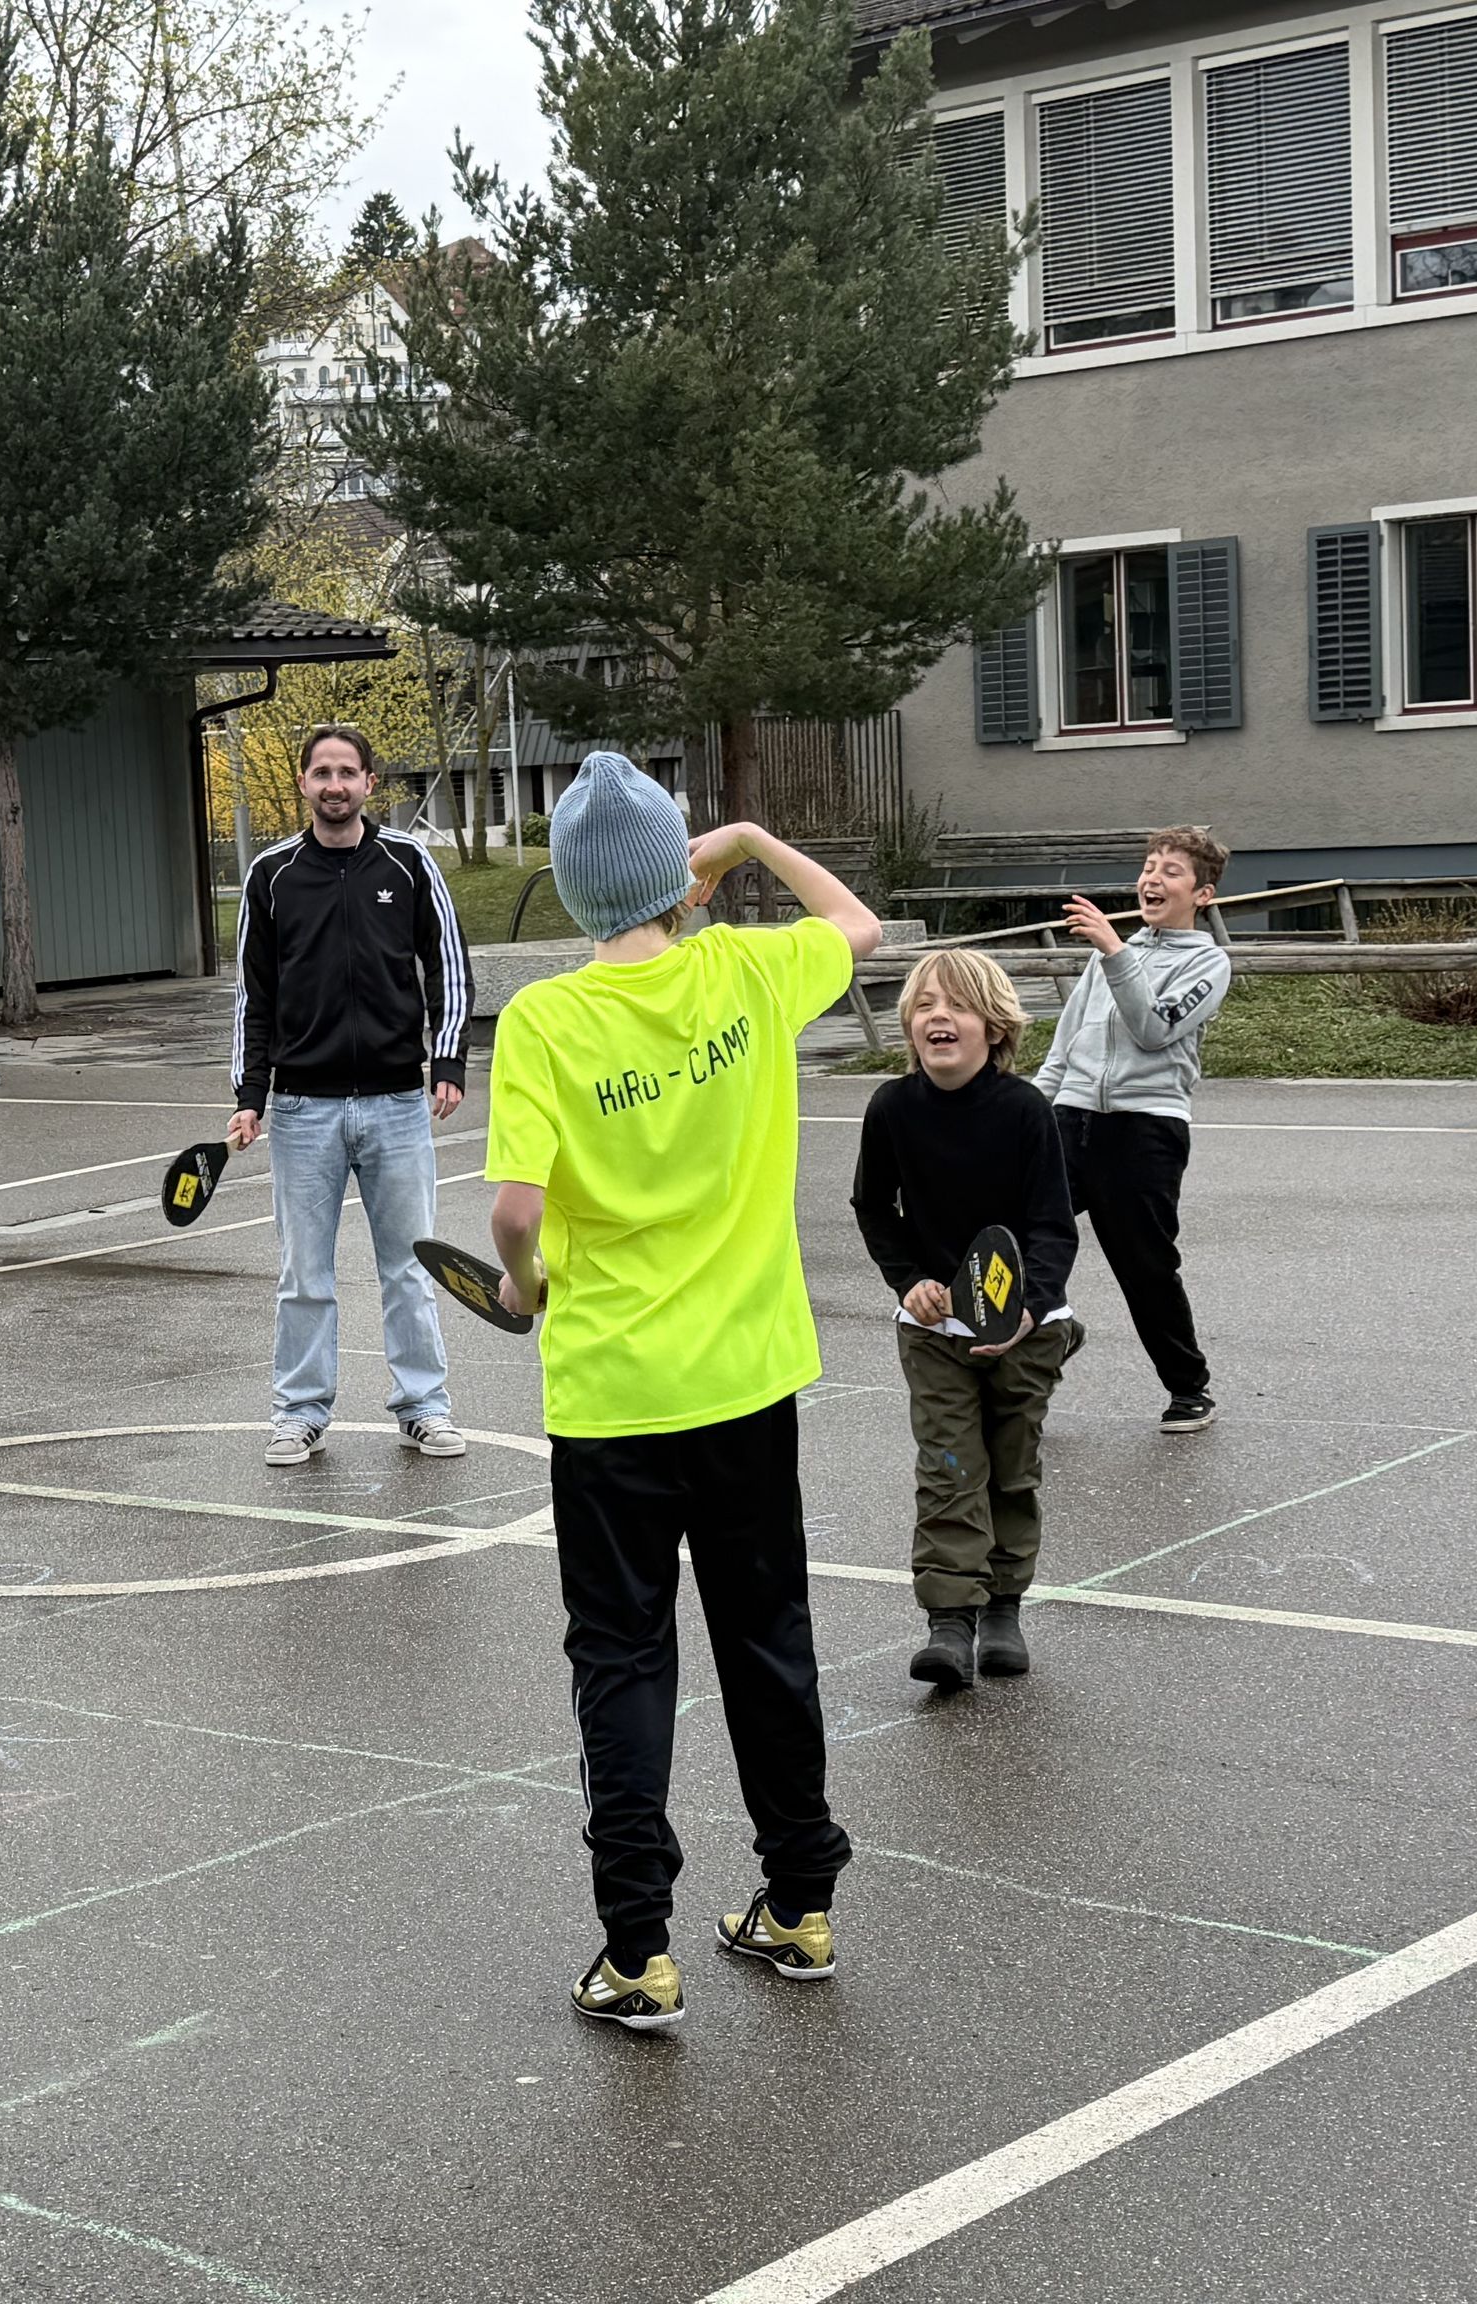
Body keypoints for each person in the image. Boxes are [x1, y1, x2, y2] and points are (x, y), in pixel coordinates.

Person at [482, 751, 881, 2031]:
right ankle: (800, 1903)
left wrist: (525, 1288)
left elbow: (514, 1212)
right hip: (746, 1381)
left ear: (573, 889)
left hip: (611, 1395)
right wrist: (750, 838)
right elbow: (857, 926)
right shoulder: (749, 974)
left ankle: (637, 1950)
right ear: (681, 876)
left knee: (622, 1660)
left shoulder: (545, 1020)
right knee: (768, 1641)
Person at [228, 725, 473, 1466]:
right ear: (303, 783)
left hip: (398, 1104)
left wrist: (448, 1058)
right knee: (304, 1275)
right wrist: (251, 1093)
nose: (334, 784)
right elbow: (253, 997)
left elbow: (448, 965)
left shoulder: (410, 863)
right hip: (303, 1110)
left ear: (370, 782)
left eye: (347, 772)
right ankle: (298, 1414)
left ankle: (423, 1407)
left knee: (410, 1267)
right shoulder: (271, 875)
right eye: (321, 772)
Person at [851, 949, 1081, 1691]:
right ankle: (950, 1620)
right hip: (934, 1333)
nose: (938, 1018)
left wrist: (1029, 1308)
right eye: (924, 1006)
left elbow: (1052, 1226)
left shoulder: (1025, 1111)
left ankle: (1004, 1608)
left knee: (1011, 1469)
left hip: (1026, 1331)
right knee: (950, 1467)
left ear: (995, 1026)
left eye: (956, 1006)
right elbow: (873, 1208)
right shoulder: (892, 1108)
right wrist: (910, 1280)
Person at [1036, 826, 1233, 1433]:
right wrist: (1029, 1116)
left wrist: (1114, 952)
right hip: (1071, 1120)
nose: (1153, 879)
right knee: (1014, 1239)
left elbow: (1154, 1029)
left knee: (1144, 1268)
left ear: (1202, 894)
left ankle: (1189, 1389)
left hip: (1144, 1131)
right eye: (1149, 867)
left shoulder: (1208, 962)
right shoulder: (1109, 957)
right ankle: (1054, 1332)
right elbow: (1064, 1047)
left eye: (1171, 871)